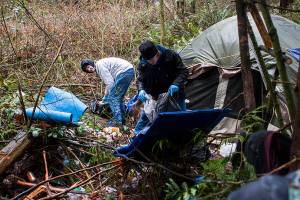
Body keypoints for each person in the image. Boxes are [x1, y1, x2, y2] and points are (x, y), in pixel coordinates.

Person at [134, 40, 188, 134]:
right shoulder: (143, 63)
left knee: (180, 118)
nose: (149, 62)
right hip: (154, 97)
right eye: (147, 60)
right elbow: (140, 79)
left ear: (157, 54)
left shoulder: (170, 56)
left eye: (151, 60)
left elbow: (183, 71)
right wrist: (141, 90)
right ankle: (136, 139)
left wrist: (176, 84)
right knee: (145, 119)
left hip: (175, 95)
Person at [81, 57, 134, 126]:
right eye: (87, 69)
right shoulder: (100, 64)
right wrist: (104, 100)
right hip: (128, 70)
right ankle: (122, 120)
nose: (89, 69)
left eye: (88, 66)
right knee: (118, 98)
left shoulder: (99, 66)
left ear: (91, 63)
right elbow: (112, 83)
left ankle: (118, 122)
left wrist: (105, 97)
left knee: (113, 98)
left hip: (124, 72)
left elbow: (110, 83)